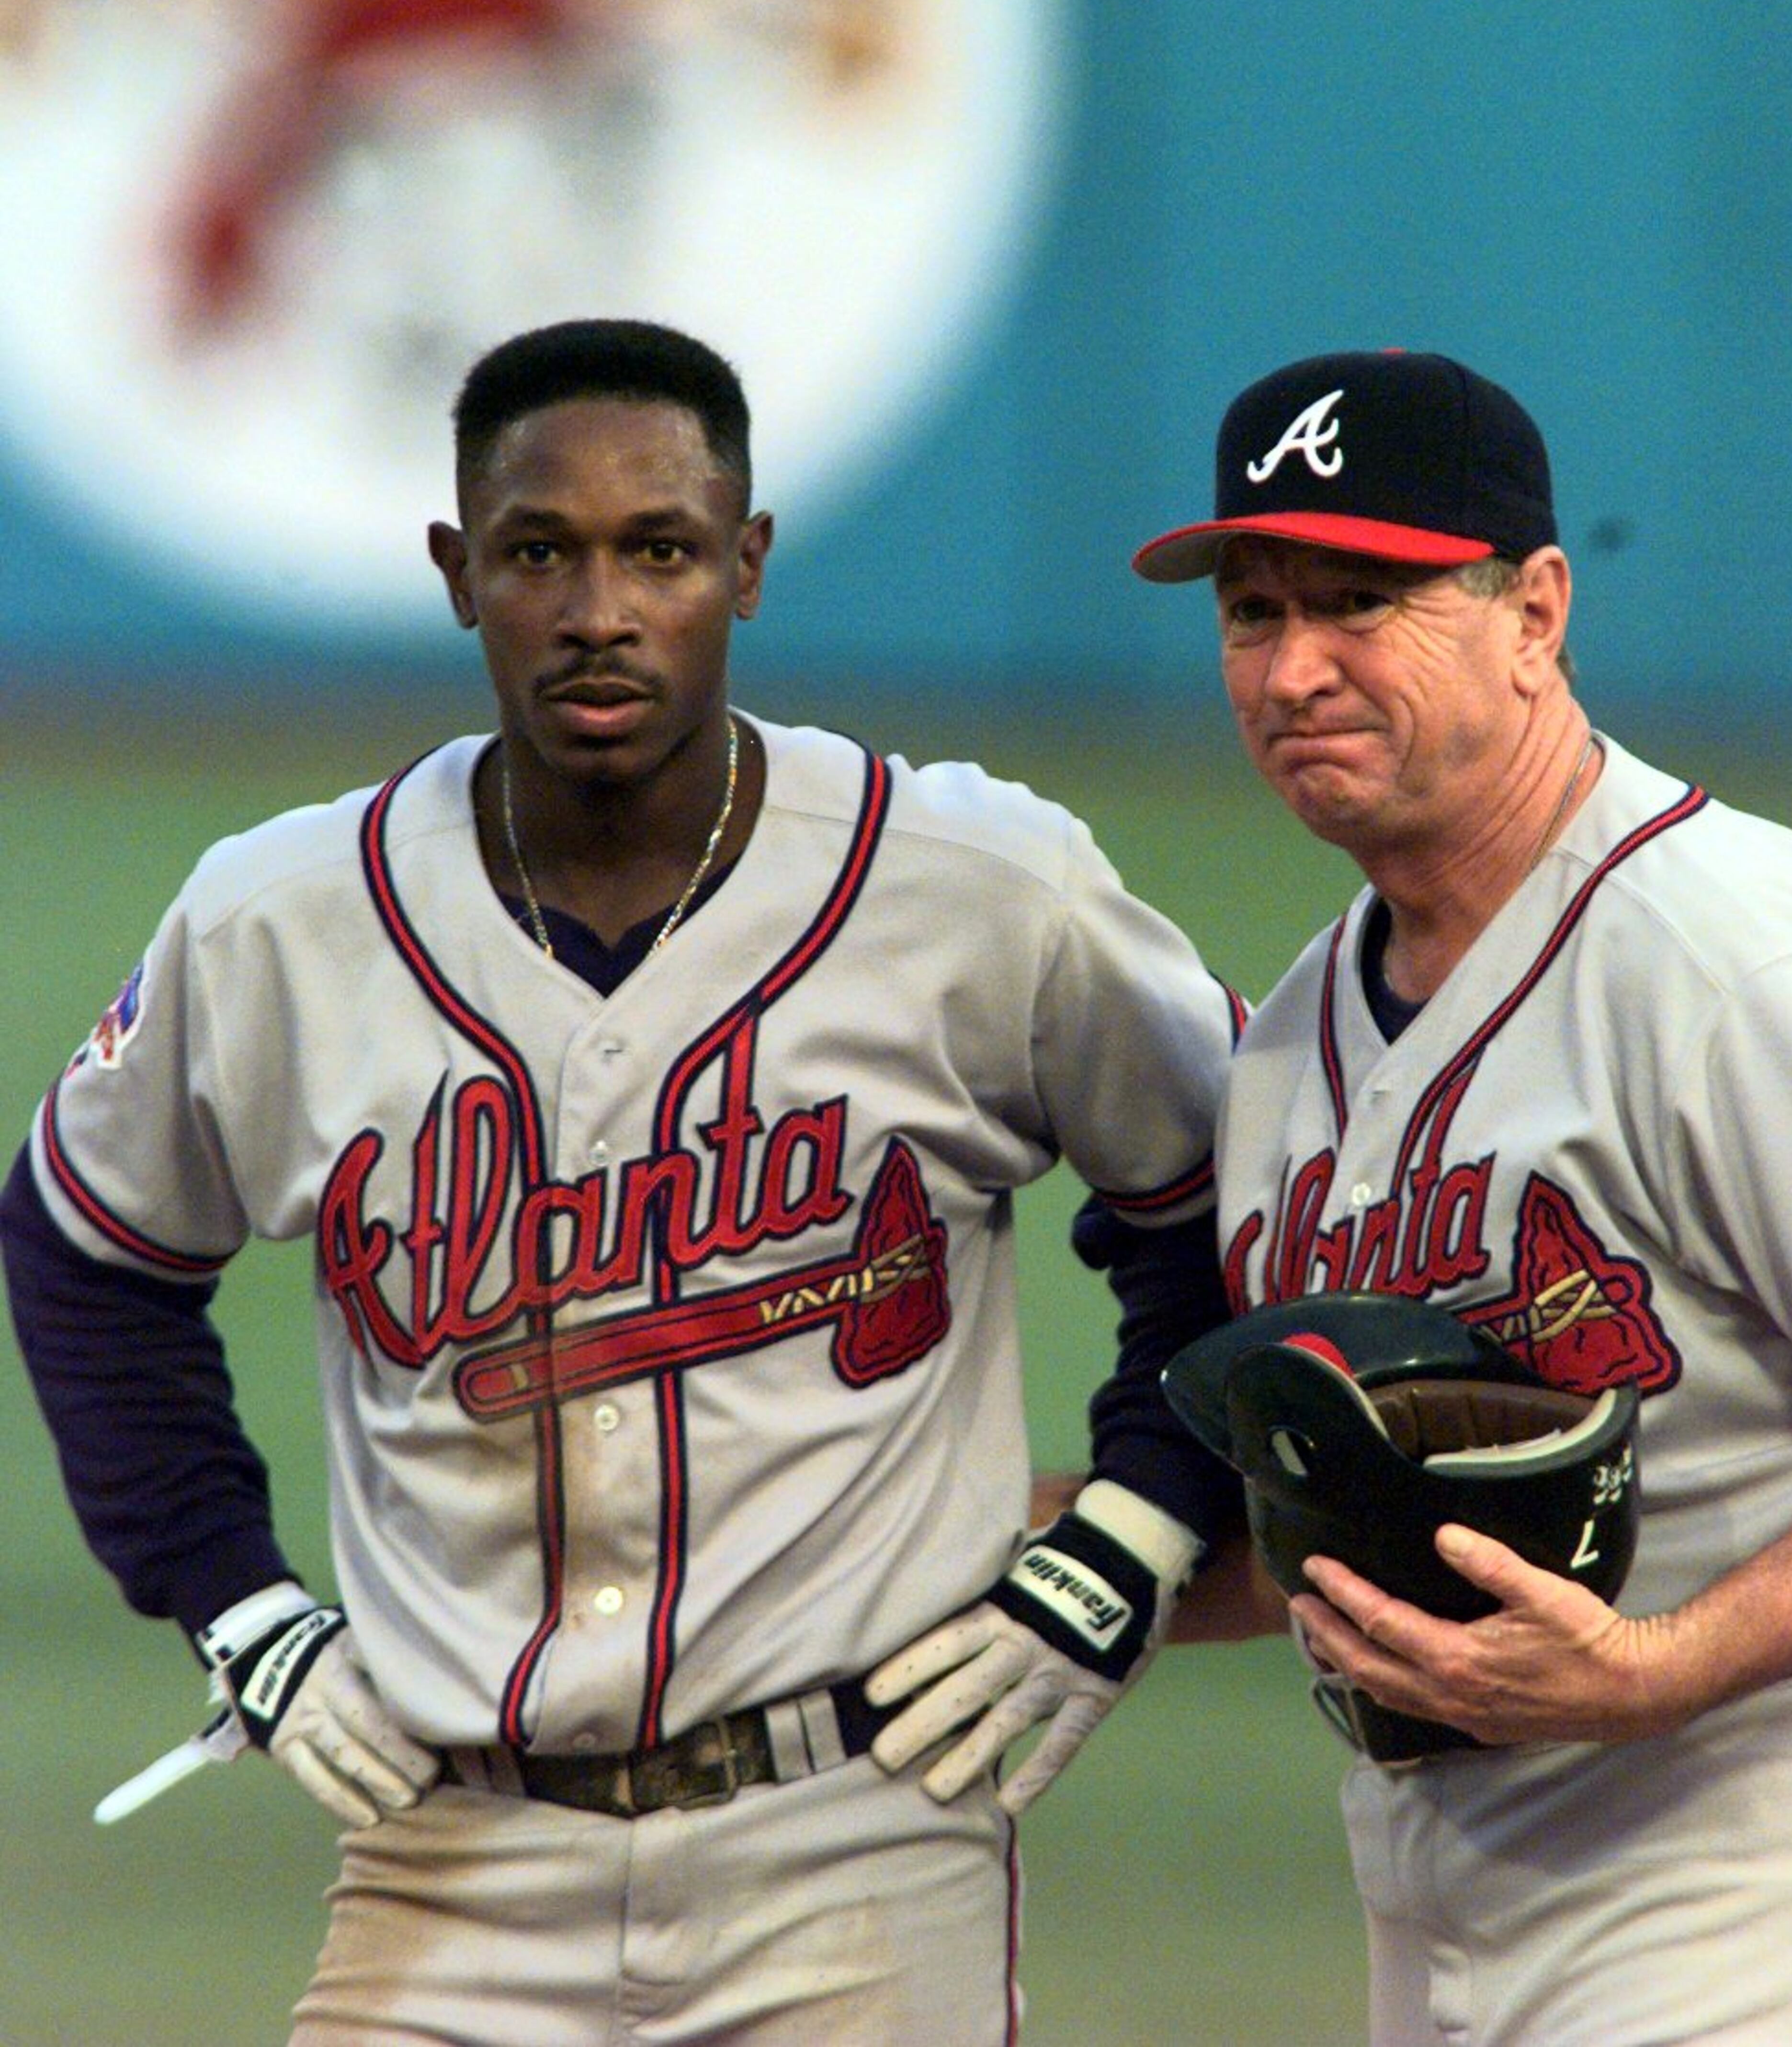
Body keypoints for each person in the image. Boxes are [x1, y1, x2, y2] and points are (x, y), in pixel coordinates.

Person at [0, 317, 1251, 2046]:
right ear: (457, 576)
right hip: (448, 1852)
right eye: (539, 554)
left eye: (657, 549)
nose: (599, 611)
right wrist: (231, 1595)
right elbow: (82, 1248)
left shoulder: (978, 886)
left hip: (861, 1842)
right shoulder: (276, 920)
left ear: (744, 565)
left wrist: (1136, 1527)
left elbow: (1233, 1204)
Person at [1132, 345, 1792, 2045]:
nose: (1294, 668)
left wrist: (1659, 1666)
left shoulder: (1733, 961)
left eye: (1363, 600)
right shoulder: (1298, 1028)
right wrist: (967, 1540)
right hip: (1441, 1915)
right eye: (1253, 610)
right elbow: (1326, 1528)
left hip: (1754, 1888)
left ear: (1535, 611)